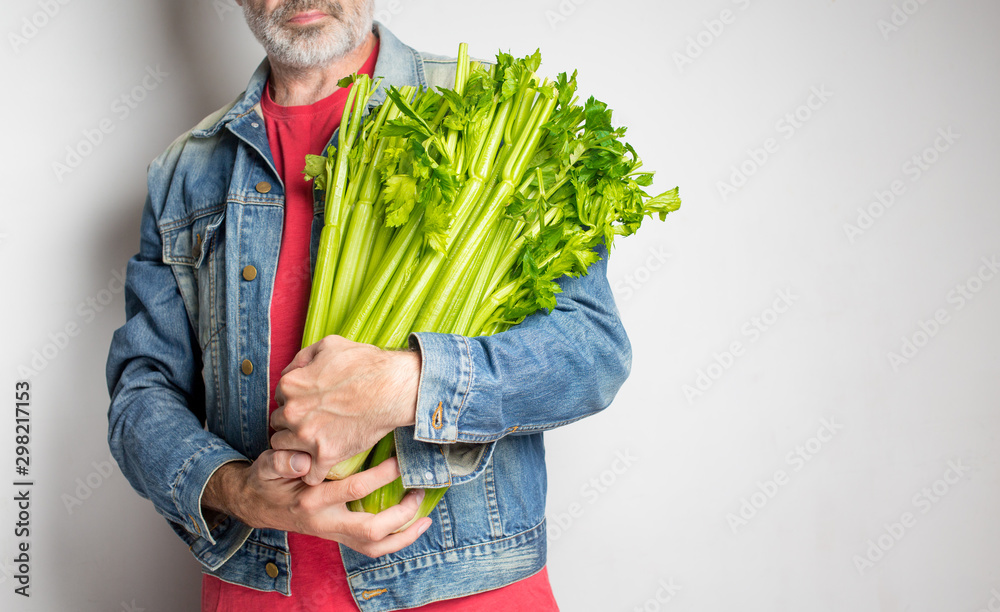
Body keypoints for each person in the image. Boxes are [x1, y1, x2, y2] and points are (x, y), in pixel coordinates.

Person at [105, 1, 631, 609]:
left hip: (462, 588)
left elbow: (591, 350)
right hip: (261, 590)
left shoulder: (487, 113)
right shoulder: (185, 170)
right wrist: (238, 491)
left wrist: (405, 384)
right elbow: (141, 392)